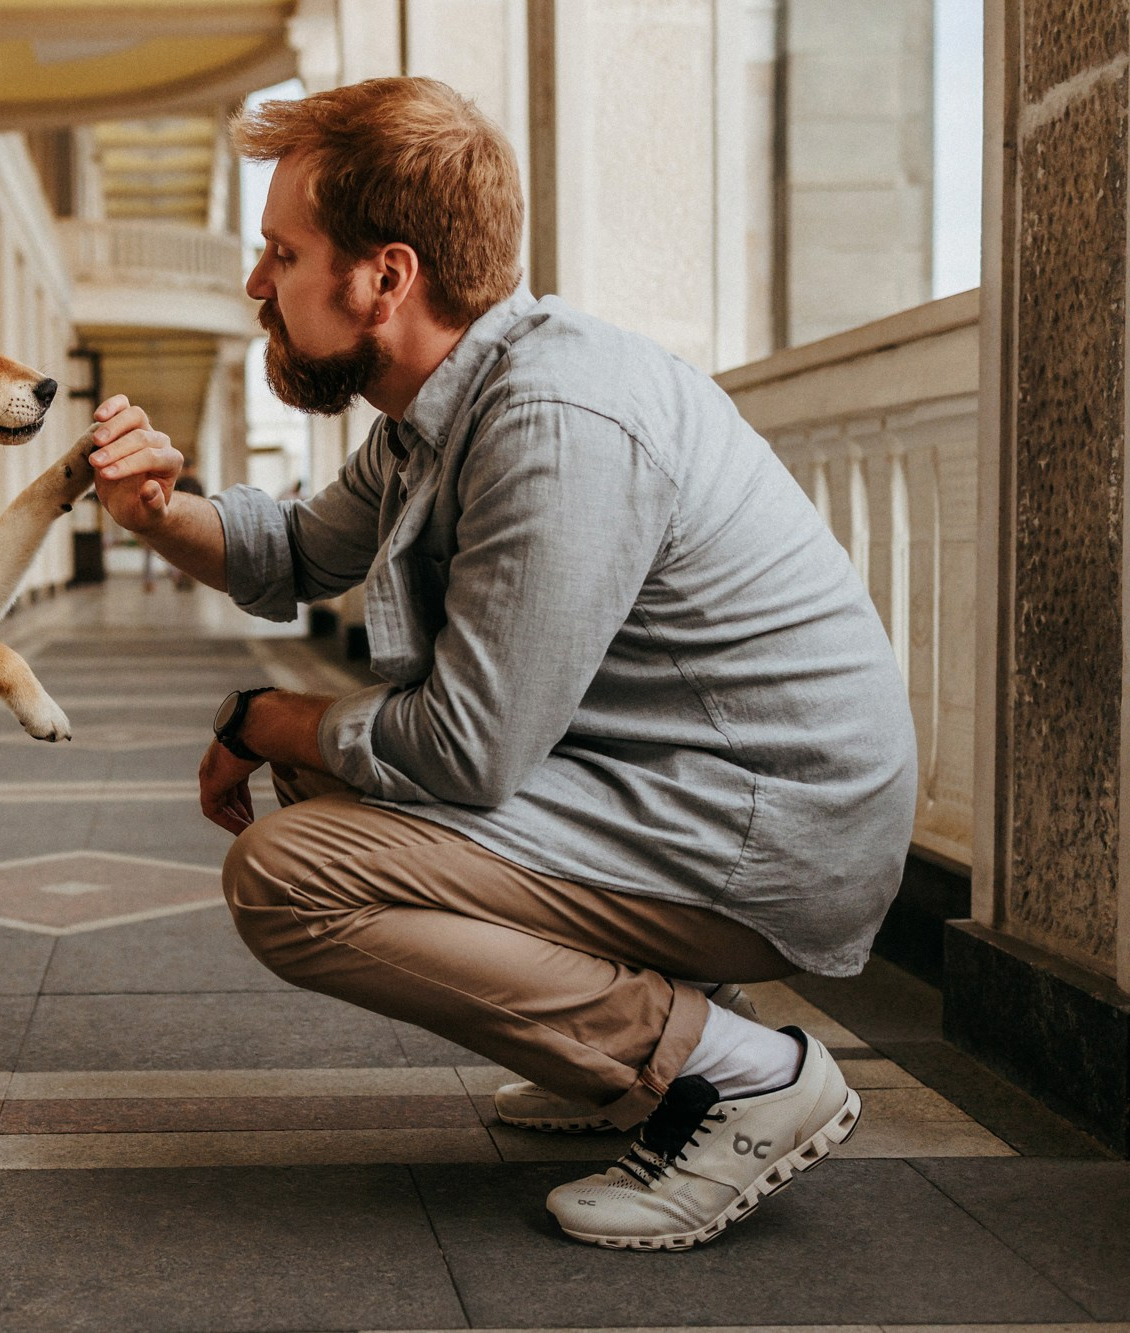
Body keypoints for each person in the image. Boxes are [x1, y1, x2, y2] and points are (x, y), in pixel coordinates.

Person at [84, 77, 916, 1251]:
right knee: (332, 780)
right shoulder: (436, 410)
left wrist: (261, 716)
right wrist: (158, 511)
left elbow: (465, 750)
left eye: (280, 252)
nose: (256, 285)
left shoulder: (553, 420)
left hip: (764, 834)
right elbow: (296, 552)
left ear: (386, 275)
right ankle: (657, 1028)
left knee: (288, 873)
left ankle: (730, 1072)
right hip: (667, 792)